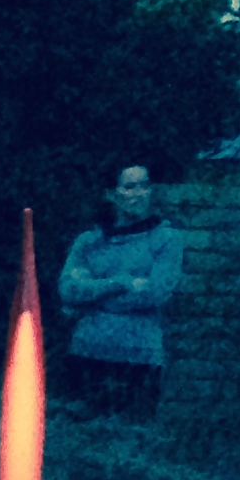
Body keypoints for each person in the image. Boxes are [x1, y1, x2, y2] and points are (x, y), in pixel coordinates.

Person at [57, 164, 183, 416]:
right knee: (81, 428)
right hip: (88, 352)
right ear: (111, 194)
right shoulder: (89, 242)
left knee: (132, 433)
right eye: (129, 187)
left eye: (144, 186)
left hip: (140, 357)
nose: (139, 194)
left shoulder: (167, 239)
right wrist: (120, 283)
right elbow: (69, 290)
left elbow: (154, 293)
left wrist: (93, 295)